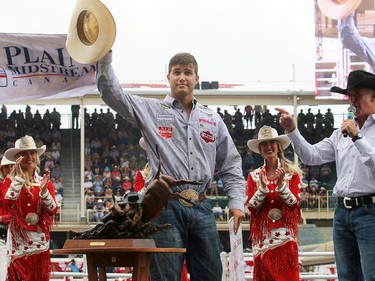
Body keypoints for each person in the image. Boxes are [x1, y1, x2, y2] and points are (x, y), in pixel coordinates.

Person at [97, 51, 246, 280]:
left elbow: (231, 164)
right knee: (164, 276)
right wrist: (104, 57)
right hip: (164, 205)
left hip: (201, 205)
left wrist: (236, 203)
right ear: (168, 77)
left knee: (211, 275)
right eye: (177, 72)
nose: (182, 77)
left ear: (197, 78)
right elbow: (112, 94)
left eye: (188, 72)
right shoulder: (152, 110)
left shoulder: (212, 118)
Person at [276, 69, 375, 281]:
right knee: (347, 276)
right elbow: (311, 156)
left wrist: (358, 137)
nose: (352, 101)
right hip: (342, 213)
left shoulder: (353, 132)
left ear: (373, 96)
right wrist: (293, 131)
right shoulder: (340, 133)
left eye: (357, 95)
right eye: (350, 95)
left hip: (370, 212)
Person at [246, 125, 302, 281]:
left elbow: (294, 205)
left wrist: (280, 186)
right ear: (260, 149)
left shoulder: (292, 173)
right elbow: (252, 208)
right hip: (262, 242)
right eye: (263, 144)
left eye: (271, 143)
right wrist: (262, 189)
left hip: (285, 241)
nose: (268, 147)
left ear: (278, 146)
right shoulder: (254, 175)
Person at [3, 135, 58, 281]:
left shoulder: (44, 182)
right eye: (24, 153)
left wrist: (44, 192)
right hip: (19, 245)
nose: (29, 157)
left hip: (39, 245)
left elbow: (53, 210)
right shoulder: (10, 181)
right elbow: (6, 202)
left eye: (32, 153)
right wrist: (20, 178)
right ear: (18, 158)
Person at [0, 156, 15, 281]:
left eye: (12, 166)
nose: (9, 169)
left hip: (17, 235)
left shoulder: (23, 186)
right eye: (6, 167)